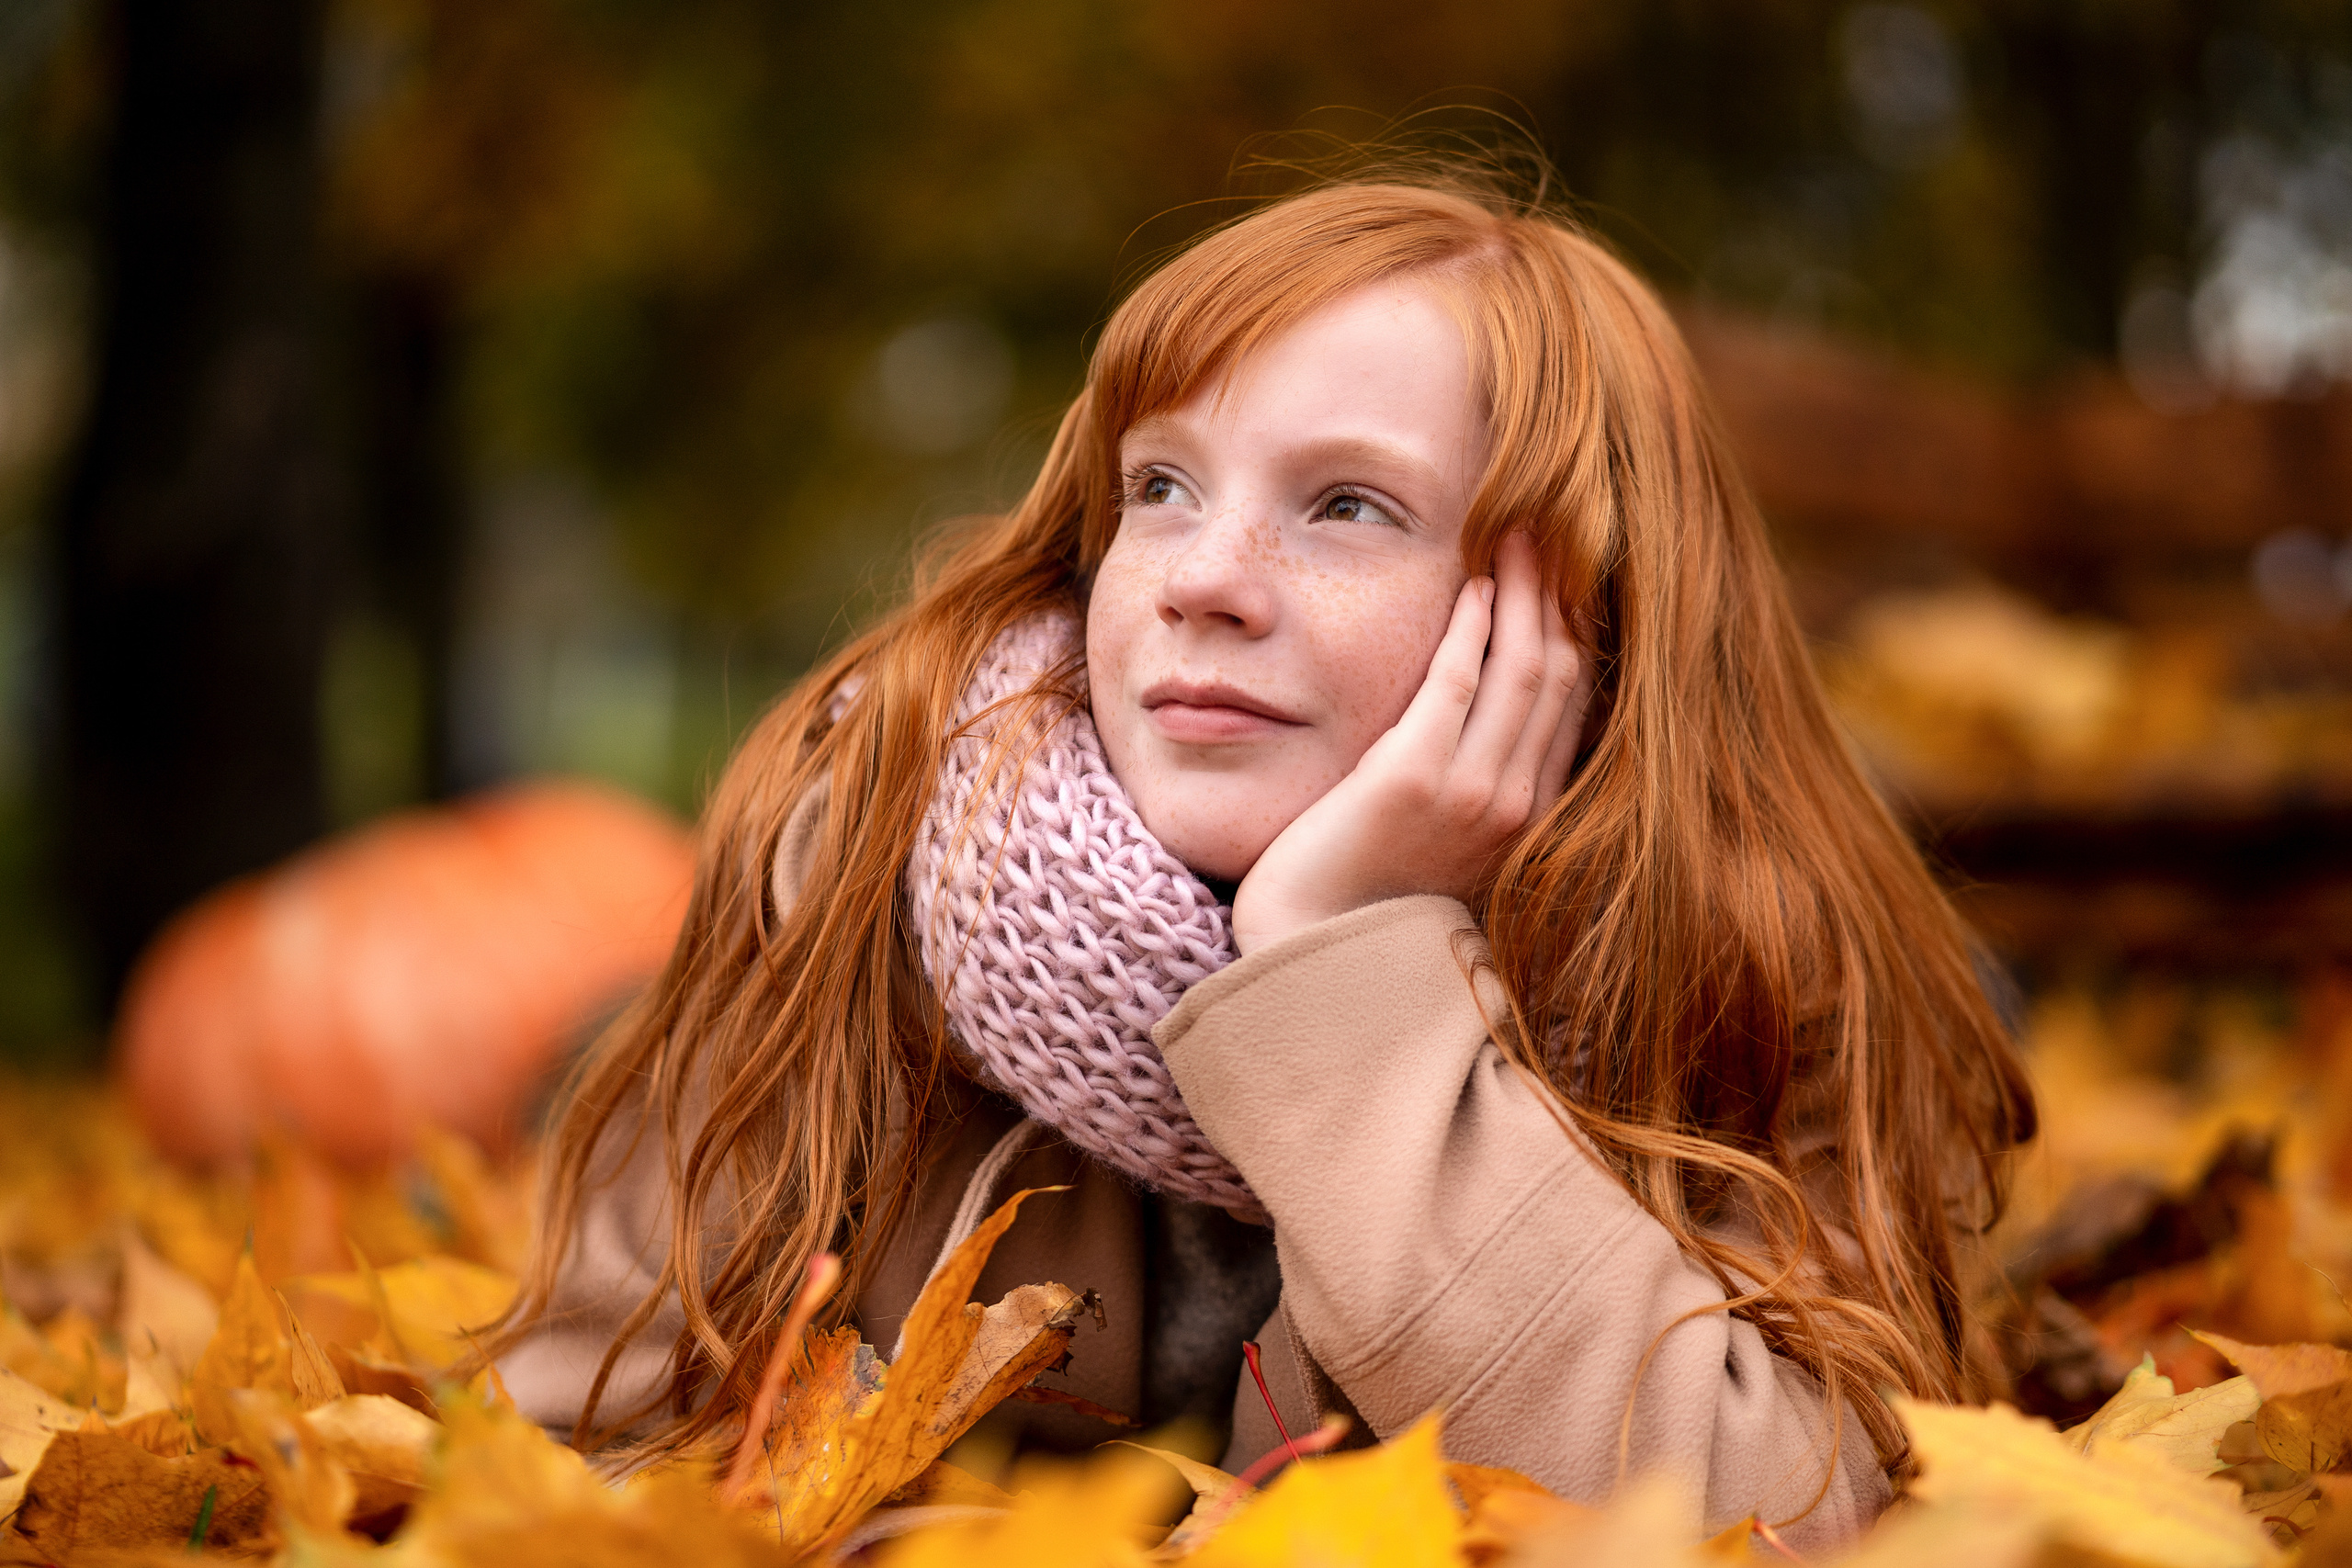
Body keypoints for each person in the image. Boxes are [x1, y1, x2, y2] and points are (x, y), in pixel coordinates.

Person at [492, 170, 2035, 1549]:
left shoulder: (1752, 974)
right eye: (1161, 485)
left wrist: (1347, 970)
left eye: (1348, 506)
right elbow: (582, 1454)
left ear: (1581, 614)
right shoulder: (866, 873)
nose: (1204, 580)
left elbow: (1778, 1522)